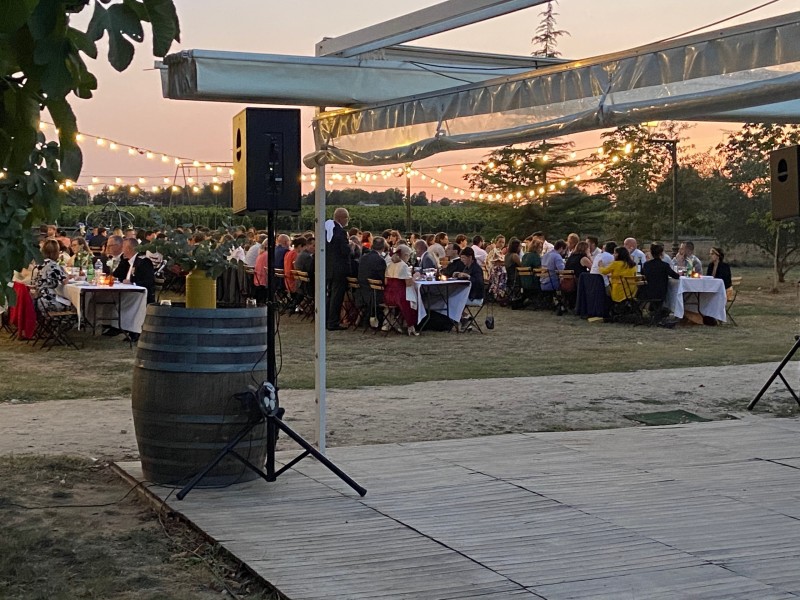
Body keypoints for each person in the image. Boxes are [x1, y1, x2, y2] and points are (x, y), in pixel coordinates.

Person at [325, 207, 351, 331]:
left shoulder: (327, 230)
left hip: (329, 267)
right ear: (341, 218)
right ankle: (333, 322)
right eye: (347, 218)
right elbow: (344, 250)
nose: (347, 220)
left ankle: (326, 319)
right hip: (339, 269)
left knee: (330, 295)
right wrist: (350, 247)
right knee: (337, 297)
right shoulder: (340, 232)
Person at [383, 244, 418, 336]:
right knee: (414, 299)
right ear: (406, 255)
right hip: (399, 296)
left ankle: (396, 323)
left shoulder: (389, 264)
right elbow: (408, 283)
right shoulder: (403, 266)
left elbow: (386, 281)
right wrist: (415, 277)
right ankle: (410, 325)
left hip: (387, 296)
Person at [114, 238, 155, 304]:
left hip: (139, 296)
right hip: (126, 295)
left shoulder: (144, 262)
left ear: (128, 249)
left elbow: (148, 281)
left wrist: (132, 284)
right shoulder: (125, 262)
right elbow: (116, 275)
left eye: (123, 247)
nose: (122, 250)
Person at [32, 239, 68, 312]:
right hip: (49, 301)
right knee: (72, 305)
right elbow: (64, 282)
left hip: (37, 301)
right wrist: (69, 276)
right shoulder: (53, 265)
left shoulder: (38, 265)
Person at [453, 246, 484, 331]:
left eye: (463, 258)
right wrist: (458, 275)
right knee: (452, 299)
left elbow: (479, 283)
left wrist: (468, 276)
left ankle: (465, 318)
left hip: (475, 296)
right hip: (467, 294)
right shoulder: (467, 267)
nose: (462, 260)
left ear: (470, 257)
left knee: (453, 300)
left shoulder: (477, 268)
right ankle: (465, 318)